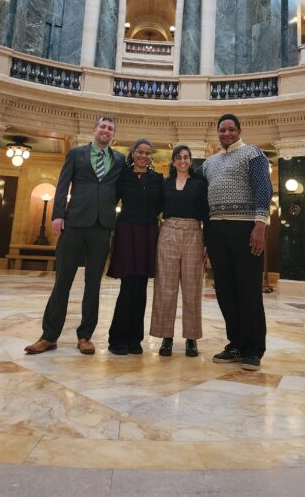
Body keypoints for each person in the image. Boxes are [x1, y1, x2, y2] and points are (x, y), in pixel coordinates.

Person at [24, 116, 125, 355]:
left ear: (113, 134)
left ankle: (85, 336)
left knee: (93, 284)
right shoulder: (76, 153)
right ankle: (49, 336)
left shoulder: (119, 159)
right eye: (102, 126)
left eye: (110, 128)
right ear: (94, 129)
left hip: (102, 226)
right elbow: (62, 184)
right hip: (75, 222)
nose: (106, 131)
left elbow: (120, 189)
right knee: (62, 282)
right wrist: (58, 214)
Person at [202, 113, 272, 371]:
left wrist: (259, 225)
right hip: (217, 229)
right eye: (222, 130)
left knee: (249, 290)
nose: (227, 134)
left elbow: (263, 189)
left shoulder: (253, 154)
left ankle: (253, 349)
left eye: (232, 129)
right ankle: (235, 343)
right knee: (226, 291)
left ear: (239, 131)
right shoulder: (210, 163)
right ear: (217, 132)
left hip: (245, 229)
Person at [150, 145, 208, 357]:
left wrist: (206, 242)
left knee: (192, 287)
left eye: (186, 157)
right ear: (173, 162)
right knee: (166, 286)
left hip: (193, 233)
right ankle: (166, 338)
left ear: (190, 161)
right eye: (178, 158)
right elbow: (155, 208)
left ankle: (191, 339)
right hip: (168, 233)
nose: (182, 161)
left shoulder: (200, 184)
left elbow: (206, 213)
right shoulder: (165, 184)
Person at [107, 139, 163, 355]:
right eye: (140, 152)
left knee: (140, 287)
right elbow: (111, 201)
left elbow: (161, 205)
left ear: (151, 157)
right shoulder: (122, 176)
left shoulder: (157, 179)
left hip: (148, 232)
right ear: (133, 154)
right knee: (128, 285)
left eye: (148, 153)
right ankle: (117, 339)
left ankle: (135, 339)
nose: (143, 156)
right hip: (127, 232)